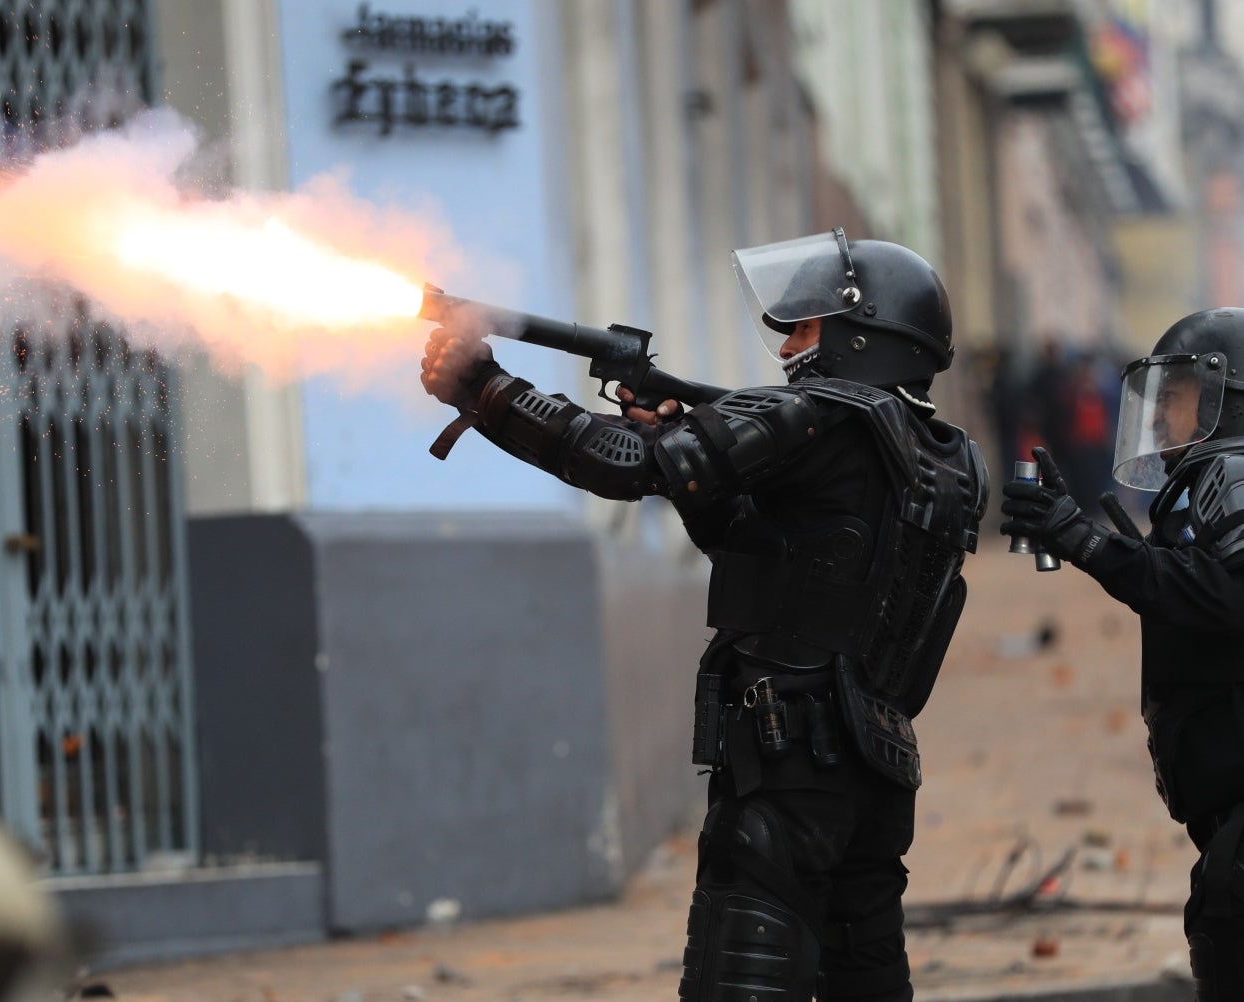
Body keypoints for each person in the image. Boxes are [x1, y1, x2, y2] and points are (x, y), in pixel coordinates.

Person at [421, 228, 988, 1002]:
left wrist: (484, 387)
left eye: (807, 326)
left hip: (787, 767)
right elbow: (767, 551)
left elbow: (622, 466)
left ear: (862, 332)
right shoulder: (947, 457)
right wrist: (678, 436)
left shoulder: (823, 417)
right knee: (867, 983)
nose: (789, 347)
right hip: (873, 768)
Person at [997, 307, 1244, 999]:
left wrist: (1089, 543)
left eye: (1177, 396)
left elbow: (1226, 599)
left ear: (1234, 398)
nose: (1159, 417)